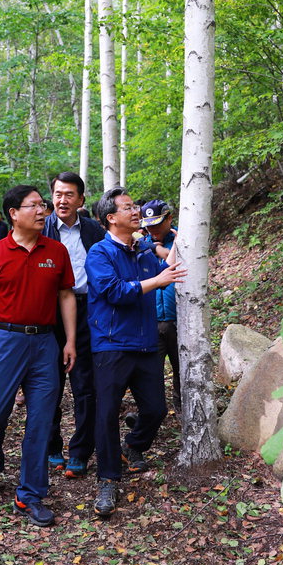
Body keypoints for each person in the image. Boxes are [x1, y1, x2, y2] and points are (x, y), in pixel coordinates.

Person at [0, 185, 76, 528]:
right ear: (13, 213)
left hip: (45, 344)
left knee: (41, 419)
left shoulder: (56, 252)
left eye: (43, 206)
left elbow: (66, 296)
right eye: (34, 206)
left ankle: (29, 495)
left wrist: (69, 340)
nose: (43, 211)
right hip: (4, 340)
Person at [85, 187, 187, 518]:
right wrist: (157, 281)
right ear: (110, 219)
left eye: (136, 206)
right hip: (112, 344)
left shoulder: (143, 250)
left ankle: (134, 445)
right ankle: (108, 479)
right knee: (107, 413)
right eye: (129, 208)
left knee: (156, 409)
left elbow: (171, 265)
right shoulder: (99, 254)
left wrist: (177, 237)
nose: (136, 212)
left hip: (144, 343)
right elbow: (115, 292)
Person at [42, 172, 105, 478]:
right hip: (46, 313)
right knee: (48, 383)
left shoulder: (94, 230)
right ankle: (51, 445)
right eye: (57, 194)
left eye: (69, 195)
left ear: (81, 200)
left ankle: (81, 450)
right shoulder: (41, 228)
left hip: (86, 310)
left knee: (84, 384)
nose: (62, 200)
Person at [140, 200, 181, 413]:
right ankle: (152, 414)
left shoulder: (184, 239)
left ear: (169, 218)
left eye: (157, 223)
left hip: (179, 319)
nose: (152, 229)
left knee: (181, 370)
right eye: (148, 224)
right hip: (152, 319)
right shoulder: (142, 245)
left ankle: (183, 411)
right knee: (151, 371)